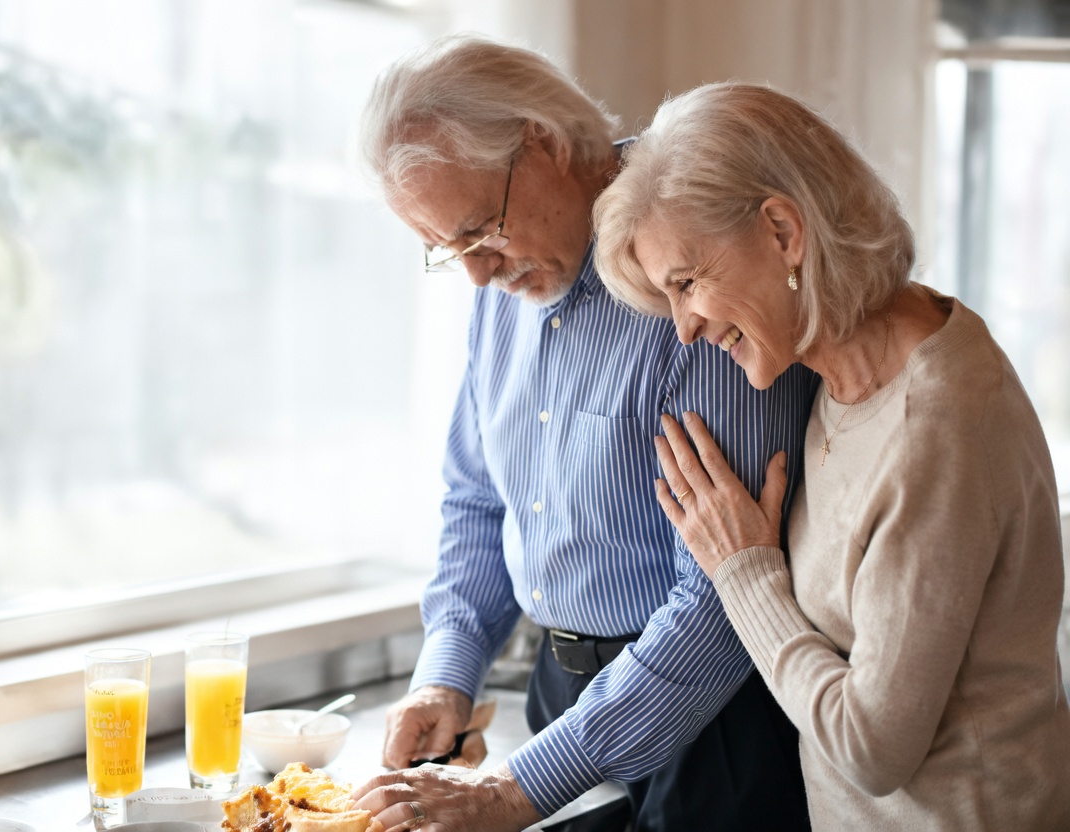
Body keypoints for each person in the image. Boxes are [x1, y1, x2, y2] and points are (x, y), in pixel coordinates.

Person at [350, 36, 819, 832]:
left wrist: (511, 792)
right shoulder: (508, 278)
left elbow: (721, 599)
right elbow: (478, 501)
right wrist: (446, 677)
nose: (475, 274)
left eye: (477, 232)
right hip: (560, 699)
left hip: (714, 722)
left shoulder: (693, 257)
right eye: (445, 251)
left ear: (544, 143)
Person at [591, 80, 1070, 831]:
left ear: (783, 232)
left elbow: (871, 747)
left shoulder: (934, 426)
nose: (682, 329)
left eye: (687, 284)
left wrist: (742, 573)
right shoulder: (846, 365)